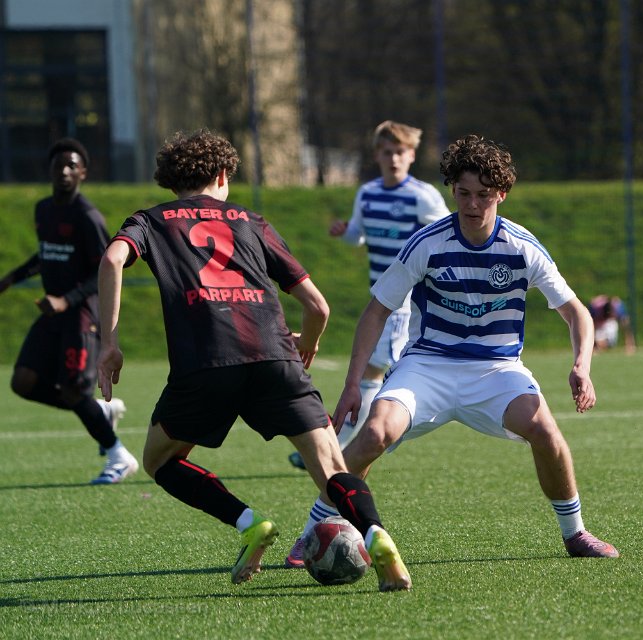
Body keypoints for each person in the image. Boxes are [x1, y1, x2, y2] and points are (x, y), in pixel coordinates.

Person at [96, 129, 410, 590]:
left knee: (159, 460)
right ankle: (376, 533)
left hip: (205, 364)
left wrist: (109, 344)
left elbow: (111, 260)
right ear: (224, 175)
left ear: (170, 180)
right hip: (275, 357)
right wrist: (307, 343)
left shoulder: (151, 220)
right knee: (331, 469)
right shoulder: (249, 219)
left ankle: (249, 523)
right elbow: (317, 306)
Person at [286, 134, 618, 566]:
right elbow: (376, 311)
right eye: (463, 193)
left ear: (502, 193)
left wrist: (582, 366)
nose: (472, 204)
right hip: (428, 365)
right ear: (452, 191)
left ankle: (575, 533)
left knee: (545, 431)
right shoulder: (428, 242)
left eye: (484, 195)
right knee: (374, 433)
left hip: (496, 369)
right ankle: (314, 530)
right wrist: (352, 385)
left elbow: (577, 313)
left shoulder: (522, 247)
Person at [289, 120, 449, 471]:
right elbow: (358, 236)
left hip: (406, 301)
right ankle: (340, 446)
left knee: (372, 372)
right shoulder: (368, 193)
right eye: (387, 152)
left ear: (412, 155)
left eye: (401, 152)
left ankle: (334, 449)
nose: (394, 159)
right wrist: (345, 231)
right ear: (377, 155)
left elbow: (449, 234)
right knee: (376, 372)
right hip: (381, 297)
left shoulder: (422, 196)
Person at [0, 138, 136, 485]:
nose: (64, 171)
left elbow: (104, 271)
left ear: (83, 173)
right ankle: (100, 411)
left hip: (82, 314)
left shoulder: (87, 217)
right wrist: (12, 278)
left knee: (74, 390)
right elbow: (47, 253)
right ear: (49, 170)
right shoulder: (44, 209)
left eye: (71, 166)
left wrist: (67, 299)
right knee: (23, 381)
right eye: (58, 165)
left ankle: (119, 457)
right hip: (54, 313)